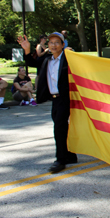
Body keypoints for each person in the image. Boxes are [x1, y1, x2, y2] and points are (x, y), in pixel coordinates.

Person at [17, 32, 78, 173]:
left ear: (63, 45)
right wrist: (27, 49)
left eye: (57, 42)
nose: (54, 45)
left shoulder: (68, 59)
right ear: (48, 45)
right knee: (61, 127)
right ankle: (69, 154)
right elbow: (32, 63)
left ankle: (60, 159)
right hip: (54, 99)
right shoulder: (47, 59)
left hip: (66, 98)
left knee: (58, 127)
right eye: (51, 42)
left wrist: (72, 53)